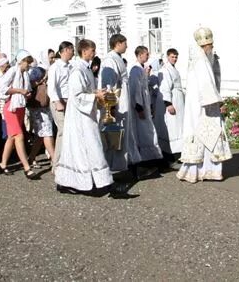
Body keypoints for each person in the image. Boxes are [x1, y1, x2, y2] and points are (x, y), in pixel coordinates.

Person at [54, 39, 115, 195]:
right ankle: (98, 183)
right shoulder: (77, 70)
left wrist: (97, 92)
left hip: (87, 115)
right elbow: (77, 95)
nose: (94, 52)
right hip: (80, 117)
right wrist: (95, 96)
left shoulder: (86, 69)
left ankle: (99, 181)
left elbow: (86, 90)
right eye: (92, 50)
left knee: (88, 147)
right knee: (88, 146)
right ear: (84, 51)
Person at [177, 27, 232, 183]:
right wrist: (219, 102)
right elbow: (206, 85)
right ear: (205, 45)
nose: (212, 47)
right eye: (211, 45)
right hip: (206, 107)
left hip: (197, 107)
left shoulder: (197, 60)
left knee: (202, 135)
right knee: (211, 134)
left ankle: (199, 170)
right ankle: (209, 170)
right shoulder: (202, 61)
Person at [0, 50, 39, 178]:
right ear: (21, 61)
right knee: (19, 136)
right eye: (27, 63)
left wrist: (26, 94)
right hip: (11, 107)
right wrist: (20, 91)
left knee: (11, 137)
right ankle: (26, 167)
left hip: (20, 107)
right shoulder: (13, 71)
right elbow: (2, 88)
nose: (29, 65)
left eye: (29, 63)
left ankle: (2, 164)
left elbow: (27, 90)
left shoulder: (25, 74)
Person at [126, 46, 164, 173]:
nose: (148, 56)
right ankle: (144, 162)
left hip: (145, 105)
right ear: (140, 55)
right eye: (146, 54)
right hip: (140, 108)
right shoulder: (135, 70)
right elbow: (135, 90)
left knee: (148, 132)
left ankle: (150, 160)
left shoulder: (141, 69)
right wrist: (139, 108)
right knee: (144, 133)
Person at [99, 34, 131, 174]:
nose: (127, 46)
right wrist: (110, 106)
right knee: (115, 132)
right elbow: (109, 84)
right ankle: (113, 164)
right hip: (117, 101)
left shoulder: (117, 58)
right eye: (125, 43)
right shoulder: (110, 60)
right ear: (118, 43)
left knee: (122, 132)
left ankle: (121, 163)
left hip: (123, 98)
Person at [25, 57, 56, 171]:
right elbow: (31, 83)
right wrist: (41, 80)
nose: (53, 59)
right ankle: (55, 160)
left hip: (44, 106)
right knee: (47, 133)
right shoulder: (37, 70)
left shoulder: (49, 69)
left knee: (40, 135)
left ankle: (31, 157)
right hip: (38, 106)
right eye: (51, 57)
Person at [48, 41, 73, 166]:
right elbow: (51, 87)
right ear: (65, 50)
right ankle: (56, 163)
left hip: (69, 100)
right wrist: (57, 102)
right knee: (63, 130)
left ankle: (66, 160)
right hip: (58, 100)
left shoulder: (70, 66)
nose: (73, 52)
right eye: (71, 50)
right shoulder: (55, 67)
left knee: (69, 130)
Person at [159, 48, 185, 160]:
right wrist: (168, 103)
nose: (174, 59)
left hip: (178, 99)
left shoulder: (174, 69)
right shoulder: (165, 70)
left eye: (176, 57)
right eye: (172, 57)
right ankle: (171, 154)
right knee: (173, 127)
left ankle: (179, 151)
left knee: (178, 126)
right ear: (168, 57)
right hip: (172, 100)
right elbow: (165, 87)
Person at [147, 55, 172, 161]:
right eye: (159, 62)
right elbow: (155, 89)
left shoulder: (160, 73)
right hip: (155, 102)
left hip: (160, 102)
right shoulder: (153, 76)